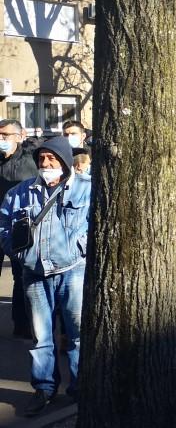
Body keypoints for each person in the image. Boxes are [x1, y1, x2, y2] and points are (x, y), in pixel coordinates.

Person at [0, 136, 90, 417]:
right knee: (41, 337)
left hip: (73, 271)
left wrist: (81, 248)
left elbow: (100, 224)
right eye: (41, 159)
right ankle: (44, 388)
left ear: (64, 161)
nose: (46, 164)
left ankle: (80, 386)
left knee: (76, 334)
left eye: (51, 159)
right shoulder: (20, 192)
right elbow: (3, 223)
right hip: (34, 274)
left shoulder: (88, 189)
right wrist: (16, 253)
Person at [0, 119, 38, 338]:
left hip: (17, 227)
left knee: (20, 277)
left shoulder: (30, 162)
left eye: (5, 135)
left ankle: (21, 326)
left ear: (19, 136)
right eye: (0, 135)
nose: (1, 139)